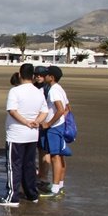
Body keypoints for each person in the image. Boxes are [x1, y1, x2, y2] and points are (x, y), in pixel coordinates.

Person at [0, 63, 48, 207]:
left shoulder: (15, 91)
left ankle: (12, 196)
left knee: (14, 165)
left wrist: (27, 122)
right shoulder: (38, 91)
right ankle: (31, 194)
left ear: (20, 75)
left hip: (17, 134)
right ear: (32, 76)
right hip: (31, 134)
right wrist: (36, 121)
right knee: (29, 164)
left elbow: (12, 110)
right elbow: (45, 111)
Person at [39, 66, 70, 198]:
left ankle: (56, 188)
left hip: (54, 128)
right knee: (59, 156)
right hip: (59, 126)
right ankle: (60, 185)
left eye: (46, 75)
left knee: (55, 157)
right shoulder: (59, 89)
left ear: (51, 77)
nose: (44, 77)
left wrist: (49, 123)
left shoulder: (53, 90)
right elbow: (67, 108)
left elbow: (61, 109)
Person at [32, 65, 52, 188]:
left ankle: (44, 176)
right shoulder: (34, 87)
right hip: (36, 122)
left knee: (45, 150)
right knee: (39, 149)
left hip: (45, 123)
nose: (38, 77)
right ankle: (39, 174)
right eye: (37, 75)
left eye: (41, 75)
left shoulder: (48, 89)